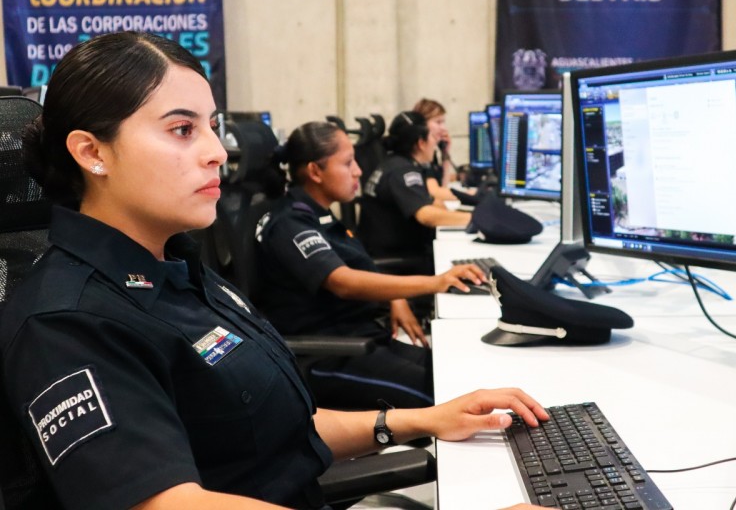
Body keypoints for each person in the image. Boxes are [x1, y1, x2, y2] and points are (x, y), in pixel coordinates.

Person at [0, 31, 550, 510]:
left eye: (213, 127)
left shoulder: (180, 267)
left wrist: (419, 420)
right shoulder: (65, 322)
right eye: (182, 129)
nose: (218, 152)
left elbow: (285, 427)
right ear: (91, 152)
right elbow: (168, 504)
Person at [253, 121, 485, 409]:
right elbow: (343, 282)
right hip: (327, 355)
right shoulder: (290, 224)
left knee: (462, 373)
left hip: (361, 338)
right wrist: (437, 282)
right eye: (348, 163)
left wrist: (396, 297)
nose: (358, 171)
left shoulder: (317, 214)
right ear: (315, 171)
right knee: (450, 399)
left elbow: (354, 264)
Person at [358, 111, 471, 269]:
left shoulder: (394, 163)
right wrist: (476, 219)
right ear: (421, 143)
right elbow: (427, 216)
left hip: (386, 250)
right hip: (399, 258)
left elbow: (430, 202)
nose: (435, 143)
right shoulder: (403, 172)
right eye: (432, 137)